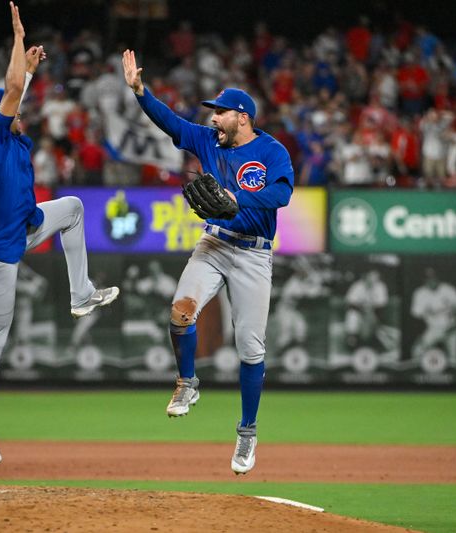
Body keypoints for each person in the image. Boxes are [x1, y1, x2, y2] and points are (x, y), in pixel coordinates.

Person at [0, 3, 119, 465]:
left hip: (15, 232)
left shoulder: (6, 139)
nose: (17, 110)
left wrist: (24, 70)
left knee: (72, 208)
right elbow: (10, 91)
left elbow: (14, 94)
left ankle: (80, 294)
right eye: (10, 108)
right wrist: (18, 41)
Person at [122, 49, 294, 475]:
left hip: (254, 253)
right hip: (215, 244)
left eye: (220, 112)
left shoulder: (272, 151)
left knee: (250, 348)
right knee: (180, 314)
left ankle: (248, 431)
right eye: (213, 112)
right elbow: (172, 124)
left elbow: (282, 194)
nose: (213, 118)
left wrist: (240, 197)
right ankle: (187, 382)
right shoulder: (206, 140)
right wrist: (141, 92)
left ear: (242, 116)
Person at [410, 268, 456, 365]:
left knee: (454, 361)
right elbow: (415, 313)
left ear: (438, 278)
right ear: (424, 280)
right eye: (428, 278)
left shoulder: (448, 289)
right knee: (417, 352)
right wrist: (427, 310)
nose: (431, 281)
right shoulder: (420, 293)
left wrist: (455, 311)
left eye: (433, 278)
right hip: (434, 329)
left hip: (452, 329)